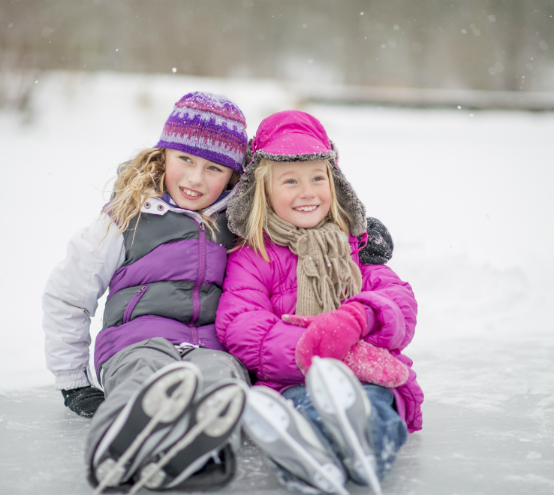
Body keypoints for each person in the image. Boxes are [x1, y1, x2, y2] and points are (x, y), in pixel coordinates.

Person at [42, 92, 252, 493]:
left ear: (234, 176)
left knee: (223, 380)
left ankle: (203, 452)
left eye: (214, 168)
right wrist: (72, 379)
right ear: (164, 155)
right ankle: (117, 445)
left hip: (211, 348)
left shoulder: (243, 222)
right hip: (135, 342)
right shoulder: (128, 216)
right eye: (185, 159)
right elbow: (68, 293)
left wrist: (358, 238)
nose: (194, 179)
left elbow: (303, 224)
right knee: (144, 378)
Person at [216, 110, 423, 495]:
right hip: (295, 379)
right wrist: (312, 349)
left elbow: (398, 301)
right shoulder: (253, 255)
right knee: (308, 411)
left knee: (377, 408)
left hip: (368, 377)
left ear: (334, 182)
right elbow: (241, 325)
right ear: (263, 189)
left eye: (317, 177)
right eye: (290, 181)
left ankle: (366, 451)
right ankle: (308, 460)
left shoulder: (354, 246)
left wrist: (358, 319)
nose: (307, 191)